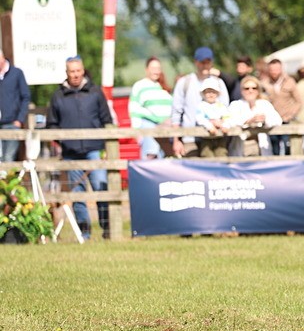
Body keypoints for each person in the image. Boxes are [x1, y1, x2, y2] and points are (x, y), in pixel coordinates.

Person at [46, 57, 113, 239]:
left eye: (78, 71)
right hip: (71, 153)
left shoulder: (95, 92)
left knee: (101, 188)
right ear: (66, 73)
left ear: (83, 71)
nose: (75, 75)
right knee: (77, 195)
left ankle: (107, 229)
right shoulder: (58, 96)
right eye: (72, 71)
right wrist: (63, 142)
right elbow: (52, 124)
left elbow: (106, 120)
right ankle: (84, 232)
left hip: (94, 149)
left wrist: (105, 147)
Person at [171, 46, 228, 157]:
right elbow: (176, 113)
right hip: (190, 138)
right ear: (196, 62)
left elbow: (225, 109)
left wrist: (219, 122)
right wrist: (176, 140)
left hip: (215, 137)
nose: (205, 65)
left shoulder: (219, 83)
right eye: (202, 62)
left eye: (208, 62)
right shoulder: (185, 82)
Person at [129, 57, 174, 159]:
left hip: (166, 128)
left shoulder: (163, 86)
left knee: (164, 157)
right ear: (147, 69)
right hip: (149, 126)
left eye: (158, 68)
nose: (156, 71)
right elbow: (134, 109)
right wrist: (136, 131)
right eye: (153, 68)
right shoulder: (140, 86)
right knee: (151, 155)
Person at [227, 76, 282, 156]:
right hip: (241, 147)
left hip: (261, 148)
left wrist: (265, 120)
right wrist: (248, 121)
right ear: (242, 91)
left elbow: (278, 121)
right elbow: (229, 122)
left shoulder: (264, 104)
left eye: (254, 88)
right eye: (247, 88)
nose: (250, 91)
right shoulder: (235, 105)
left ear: (258, 90)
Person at [261, 58, 303, 155]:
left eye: (276, 69)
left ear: (281, 69)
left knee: (287, 146)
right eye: (272, 70)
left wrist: (291, 115)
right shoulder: (264, 84)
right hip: (271, 122)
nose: (274, 72)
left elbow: (299, 102)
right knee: (274, 148)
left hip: (286, 120)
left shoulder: (290, 81)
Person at [0, 50, 31, 163]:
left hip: (11, 124)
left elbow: (26, 97)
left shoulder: (16, 73)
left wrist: (19, 119)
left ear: (2, 59)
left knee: (8, 158)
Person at [195, 78, 233, 157]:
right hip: (206, 138)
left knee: (222, 154)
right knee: (207, 156)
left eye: (213, 92)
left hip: (220, 137)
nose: (211, 94)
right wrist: (210, 126)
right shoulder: (201, 106)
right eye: (208, 92)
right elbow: (200, 119)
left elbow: (227, 117)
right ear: (203, 93)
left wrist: (225, 126)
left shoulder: (221, 106)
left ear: (217, 94)